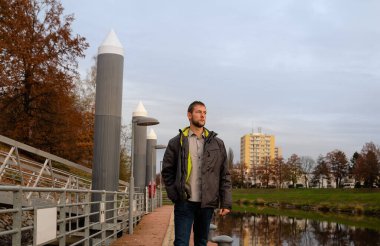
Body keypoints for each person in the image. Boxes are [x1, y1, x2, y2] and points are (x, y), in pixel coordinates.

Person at [161, 101, 232, 246]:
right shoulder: (176, 142)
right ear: (189, 115)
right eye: (199, 112)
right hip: (184, 202)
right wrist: (175, 195)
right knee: (181, 243)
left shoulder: (218, 144)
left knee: (201, 242)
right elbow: (167, 171)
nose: (202, 115)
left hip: (207, 204)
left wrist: (226, 202)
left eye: (205, 112)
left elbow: (224, 174)